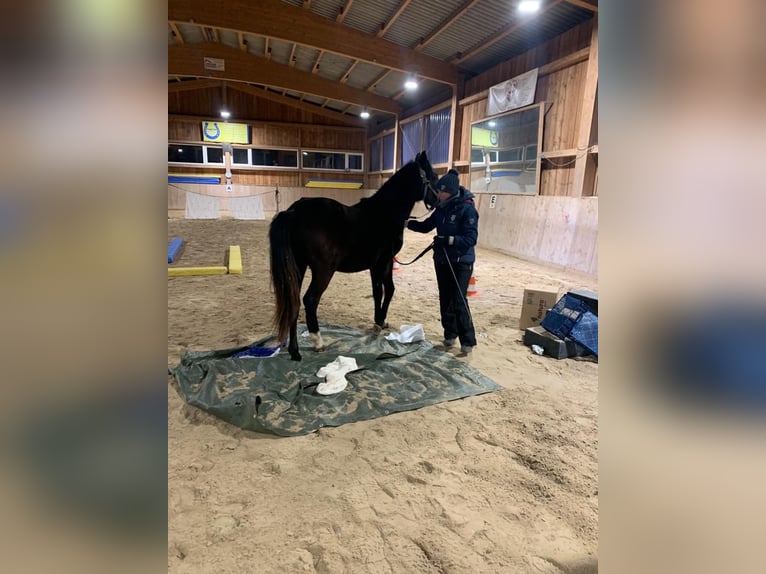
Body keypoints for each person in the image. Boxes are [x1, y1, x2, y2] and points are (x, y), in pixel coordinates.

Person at [407, 169, 479, 356]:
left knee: (458, 300)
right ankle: (450, 333)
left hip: (460, 262)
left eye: (441, 191)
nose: (438, 194)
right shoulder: (441, 207)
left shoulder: (467, 209)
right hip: (441, 260)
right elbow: (426, 226)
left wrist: (448, 240)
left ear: (450, 191)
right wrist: (406, 223)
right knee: (445, 298)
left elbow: (471, 238)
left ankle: (468, 340)